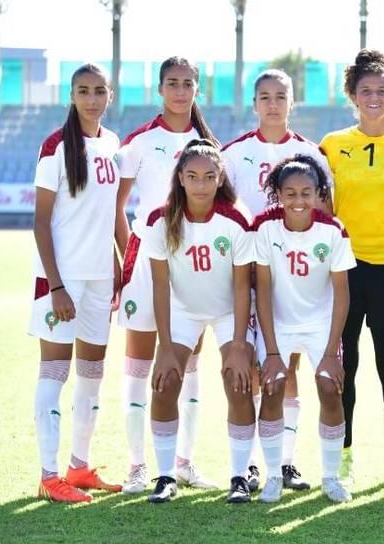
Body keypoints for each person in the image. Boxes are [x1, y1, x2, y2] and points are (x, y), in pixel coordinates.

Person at [221, 68, 333, 491]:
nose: (272, 104)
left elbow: (325, 215)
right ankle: (251, 465)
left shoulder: (312, 155)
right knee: (252, 368)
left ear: (292, 103)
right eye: (264, 96)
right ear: (255, 103)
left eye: (280, 96)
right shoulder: (232, 154)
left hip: (295, 277)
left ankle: (285, 462)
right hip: (245, 275)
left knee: (289, 366)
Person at [319, 49, 384, 485]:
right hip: (343, 270)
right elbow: (323, 199)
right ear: (353, 96)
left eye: (382, 90)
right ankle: (343, 457)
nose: (374, 97)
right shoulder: (332, 144)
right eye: (366, 91)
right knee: (347, 366)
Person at [116, 56, 218, 494]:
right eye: (172, 83)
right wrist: (132, 254)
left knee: (188, 366)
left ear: (197, 89)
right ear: (160, 89)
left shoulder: (208, 143)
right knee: (139, 366)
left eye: (187, 84)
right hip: (145, 262)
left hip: (190, 267)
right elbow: (116, 207)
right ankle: (137, 465)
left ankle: (183, 462)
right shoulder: (139, 141)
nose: (180, 91)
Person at [142, 140, 256, 503]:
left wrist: (239, 345)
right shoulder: (161, 220)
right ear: (180, 178)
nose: (201, 185)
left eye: (209, 177)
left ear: (220, 177)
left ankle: (239, 476)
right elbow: (160, 285)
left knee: (237, 381)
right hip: (183, 312)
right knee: (164, 382)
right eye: (192, 176)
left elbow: (242, 286)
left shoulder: (237, 218)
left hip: (228, 312)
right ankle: (164, 475)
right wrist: (164, 346)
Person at [30, 63, 122, 502]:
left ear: (110, 95)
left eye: (98, 91)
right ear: (72, 95)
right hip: (62, 281)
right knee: (54, 372)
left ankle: (79, 466)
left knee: (92, 373)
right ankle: (50, 476)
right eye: (83, 91)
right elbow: (41, 223)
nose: (91, 99)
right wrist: (56, 285)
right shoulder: (54, 146)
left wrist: (120, 260)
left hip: (100, 276)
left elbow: (109, 213)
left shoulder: (113, 143)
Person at [252, 155, 357, 503]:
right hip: (278, 322)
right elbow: (262, 289)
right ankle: (273, 476)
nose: (299, 201)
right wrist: (270, 351)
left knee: (329, 388)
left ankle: (330, 478)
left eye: (306, 193)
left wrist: (330, 353)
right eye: (290, 193)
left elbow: (342, 293)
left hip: (320, 324)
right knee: (272, 388)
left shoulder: (333, 230)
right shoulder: (265, 229)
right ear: (278, 194)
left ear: (319, 193)